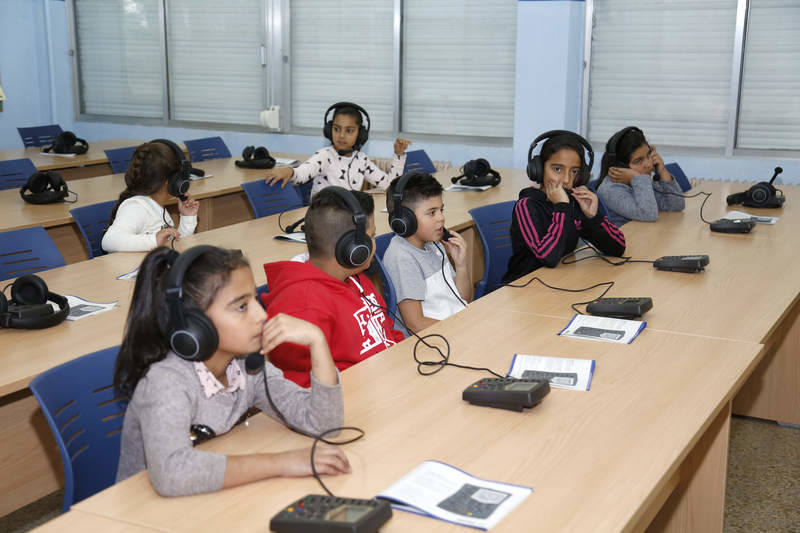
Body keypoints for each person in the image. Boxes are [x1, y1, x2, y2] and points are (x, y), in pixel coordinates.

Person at [114, 245, 349, 496]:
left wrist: (317, 341)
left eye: (254, 300)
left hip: (208, 500)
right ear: (195, 325)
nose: (261, 315)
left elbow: (324, 424)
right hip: (143, 513)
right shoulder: (166, 381)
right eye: (241, 307)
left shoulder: (244, 367)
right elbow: (173, 473)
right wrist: (281, 462)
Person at [261, 187, 404, 387]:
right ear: (353, 249)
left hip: (390, 382)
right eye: (370, 237)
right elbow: (305, 388)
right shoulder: (302, 305)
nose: (374, 244)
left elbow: (389, 333)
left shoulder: (356, 278)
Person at [503, 130, 626, 284]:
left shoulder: (573, 203)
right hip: (523, 288)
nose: (567, 179)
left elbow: (618, 247)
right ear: (539, 169)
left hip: (559, 283)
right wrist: (561, 208)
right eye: (557, 169)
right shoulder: (527, 206)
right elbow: (548, 257)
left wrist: (593, 217)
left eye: (574, 171)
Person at [383, 172, 470, 333]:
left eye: (441, 210)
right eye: (432, 212)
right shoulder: (402, 258)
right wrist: (461, 330)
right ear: (404, 220)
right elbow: (415, 324)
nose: (441, 218)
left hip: (452, 329)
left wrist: (461, 265)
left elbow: (462, 300)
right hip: (432, 340)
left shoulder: (434, 245)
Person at [264, 102, 411, 198]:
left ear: (360, 134)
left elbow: (390, 186)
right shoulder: (324, 156)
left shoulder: (361, 160)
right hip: (324, 218)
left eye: (349, 131)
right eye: (336, 129)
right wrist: (290, 171)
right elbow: (303, 172)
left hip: (348, 217)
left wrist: (398, 156)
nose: (341, 135)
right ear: (329, 130)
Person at [102, 140, 199, 252]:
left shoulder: (158, 208)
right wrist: (153, 240)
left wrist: (187, 218)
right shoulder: (136, 207)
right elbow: (109, 241)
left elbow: (174, 245)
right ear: (171, 181)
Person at [596, 126, 685, 226]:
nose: (648, 164)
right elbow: (649, 214)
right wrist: (638, 178)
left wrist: (662, 170)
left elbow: (677, 204)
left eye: (648, 155)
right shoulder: (611, 190)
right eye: (638, 161)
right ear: (620, 166)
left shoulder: (640, 181)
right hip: (627, 239)